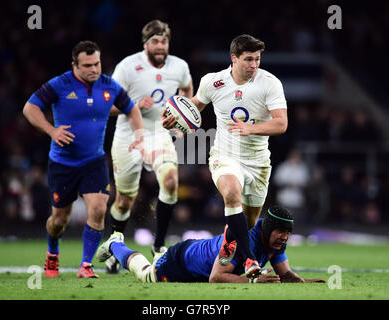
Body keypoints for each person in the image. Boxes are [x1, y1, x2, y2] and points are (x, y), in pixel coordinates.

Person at [162, 34, 288, 277]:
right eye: (248, 59)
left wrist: (251, 128)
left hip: (258, 162)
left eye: (257, 59)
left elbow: (281, 123)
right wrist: (174, 121)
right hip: (225, 154)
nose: (254, 65)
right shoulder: (213, 82)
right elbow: (195, 105)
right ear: (234, 58)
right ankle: (250, 260)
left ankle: (228, 247)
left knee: (248, 225)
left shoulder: (270, 83)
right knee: (231, 193)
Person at [23, 41, 144, 278]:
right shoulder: (59, 84)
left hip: (94, 161)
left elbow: (132, 109)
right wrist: (52, 131)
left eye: (97, 63)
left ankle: (86, 265)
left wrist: (139, 137)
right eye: (87, 65)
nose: (94, 69)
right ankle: (52, 252)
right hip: (63, 164)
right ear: (74, 65)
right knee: (59, 221)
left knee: (98, 210)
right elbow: (30, 108)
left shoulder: (109, 86)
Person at [106, 19, 193, 273]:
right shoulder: (128, 67)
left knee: (170, 183)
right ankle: (115, 245)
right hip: (129, 135)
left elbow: (188, 90)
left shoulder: (179, 66)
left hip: (159, 133)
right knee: (124, 200)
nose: (160, 45)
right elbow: (106, 105)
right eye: (154, 41)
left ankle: (158, 245)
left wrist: (182, 113)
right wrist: (132, 105)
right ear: (145, 44)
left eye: (164, 41)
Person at [96, 205, 325, 283]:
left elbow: (284, 274)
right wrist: (256, 282)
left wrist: (302, 282)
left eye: (288, 233)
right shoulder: (240, 240)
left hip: (200, 253)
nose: (285, 237)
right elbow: (215, 278)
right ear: (267, 229)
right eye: (281, 232)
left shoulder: (275, 242)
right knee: (146, 274)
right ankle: (116, 243)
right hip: (181, 261)